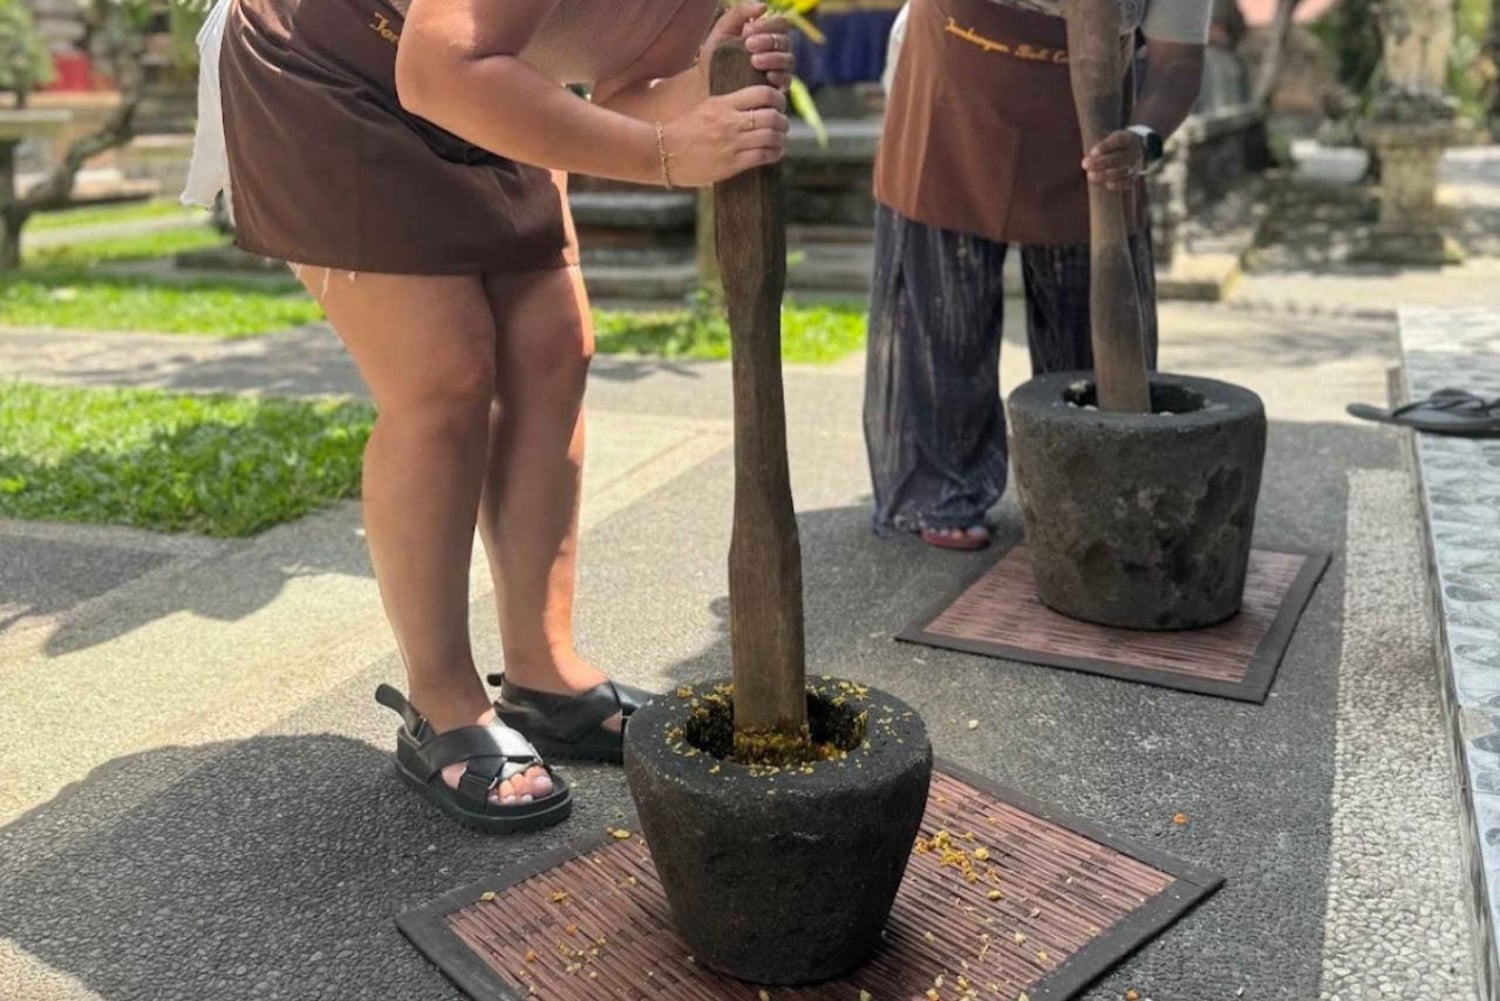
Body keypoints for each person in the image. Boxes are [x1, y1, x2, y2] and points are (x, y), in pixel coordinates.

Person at [193, 0, 796, 834]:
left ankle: (546, 674)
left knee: (554, 348)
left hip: (475, 72)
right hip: (330, 59)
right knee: (446, 373)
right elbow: (442, 70)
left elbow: (616, 96)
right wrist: (666, 155)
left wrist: (701, 80)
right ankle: (443, 701)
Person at [864, 0, 1211, 550]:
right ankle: (947, 486)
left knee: (1086, 326)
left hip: (1089, 125)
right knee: (945, 314)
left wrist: (1143, 137)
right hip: (950, 91)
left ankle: (1091, 480)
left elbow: (1175, 63)